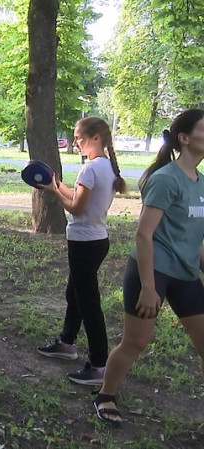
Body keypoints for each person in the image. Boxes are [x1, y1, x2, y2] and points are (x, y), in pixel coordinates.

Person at [93, 109, 204, 426]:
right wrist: (149, 287)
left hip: (185, 274)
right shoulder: (166, 179)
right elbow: (144, 234)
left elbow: (194, 238)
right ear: (185, 138)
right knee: (136, 342)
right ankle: (105, 395)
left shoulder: (201, 183)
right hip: (153, 271)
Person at [34, 116, 128, 385]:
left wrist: (54, 193)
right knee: (75, 293)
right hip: (96, 241)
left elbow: (76, 208)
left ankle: (99, 366)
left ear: (96, 138)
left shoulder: (90, 169)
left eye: (79, 138)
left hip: (84, 243)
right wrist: (55, 185)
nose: (75, 142)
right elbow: (78, 198)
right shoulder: (106, 166)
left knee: (88, 303)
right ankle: (66, 342)